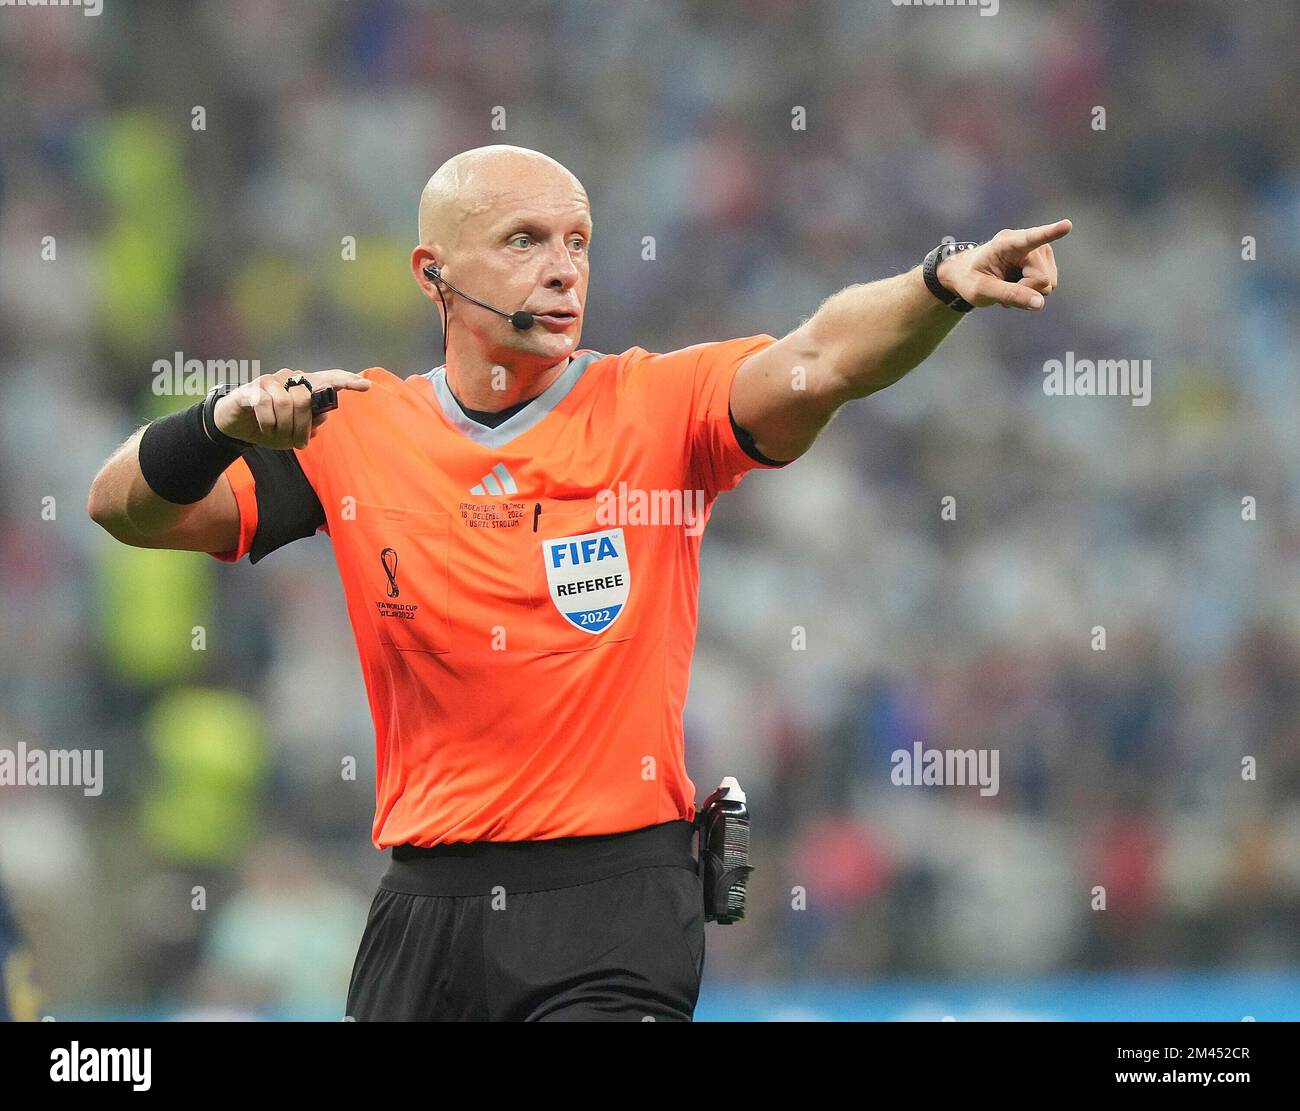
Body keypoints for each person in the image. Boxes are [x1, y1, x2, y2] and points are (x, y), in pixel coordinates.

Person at [87, 144, 1066, 1021]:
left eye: (578, 241)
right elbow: (125, 506)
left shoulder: (657, 407)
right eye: (522, 240)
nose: (561, 267)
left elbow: (819, 356)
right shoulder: (353, 430)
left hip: (614, 901)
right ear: (433, 275)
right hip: (426, 907)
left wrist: (938, 283)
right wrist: (215, 423)